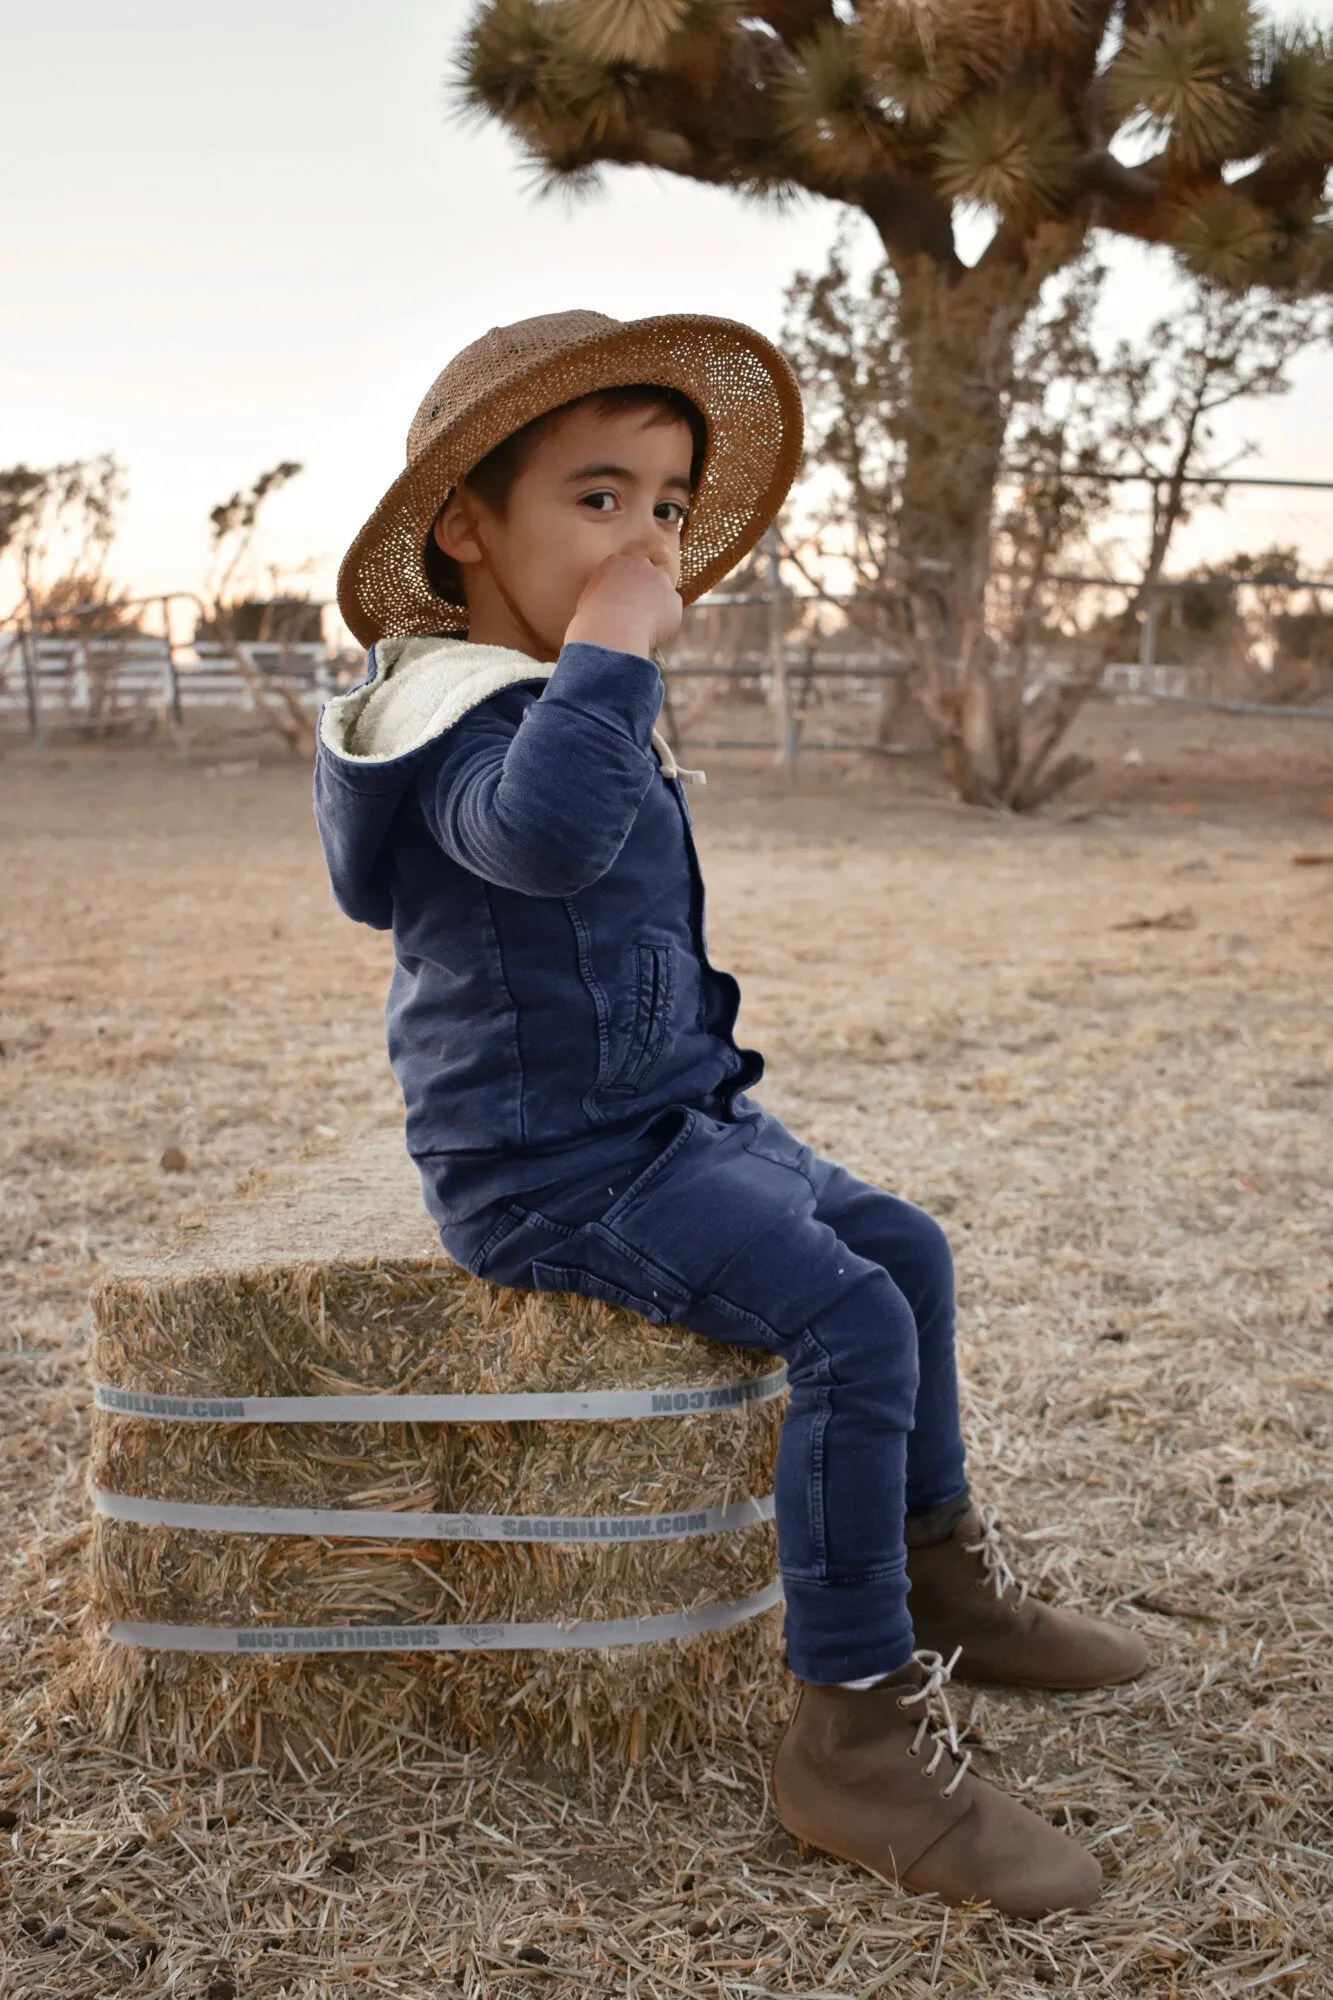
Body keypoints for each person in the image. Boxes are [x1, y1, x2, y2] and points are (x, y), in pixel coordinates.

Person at [314, 309, 1149, 1919]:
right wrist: (616, 654)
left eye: (672, 507)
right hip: (547, 1167)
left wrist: (599, 667)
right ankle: (849, 1735)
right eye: (601, 497)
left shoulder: (549, 691)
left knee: (902, 1247)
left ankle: (935, 1574)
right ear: (465, 523)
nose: (649, 539)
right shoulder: (452, 714)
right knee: (845, 1322)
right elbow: (545, 845)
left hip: (673, 1117)